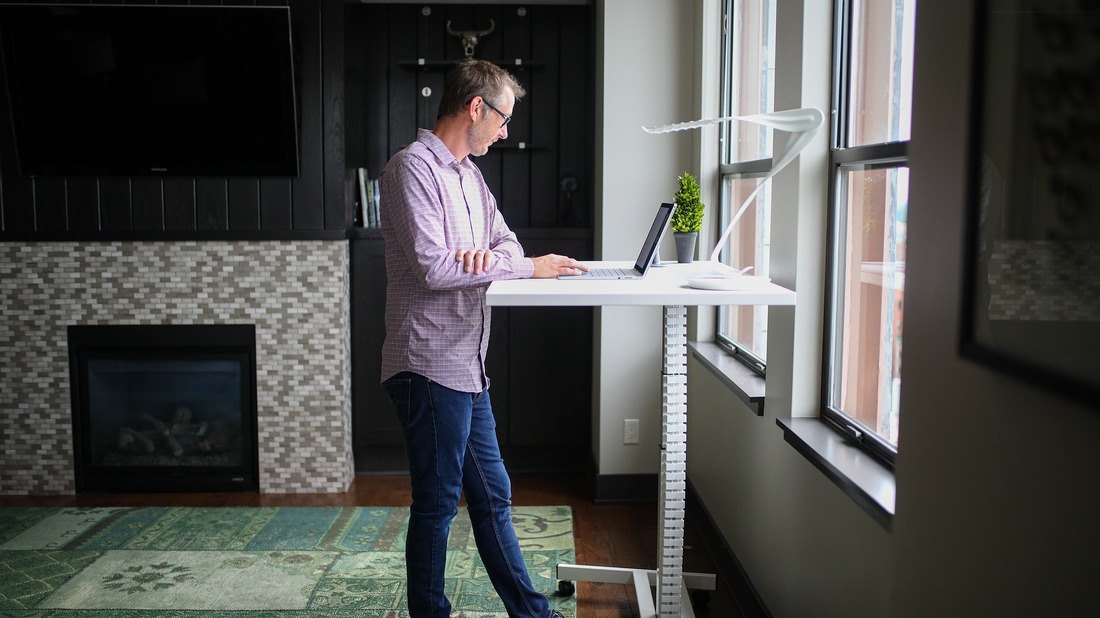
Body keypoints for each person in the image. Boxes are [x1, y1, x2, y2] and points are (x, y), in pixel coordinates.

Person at [378, 59, 587, 618]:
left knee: (492, 496)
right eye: (502, 118)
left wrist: (492, 259)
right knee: (438, 503)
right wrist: (508, 265)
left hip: (466, 366)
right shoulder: (411, 169)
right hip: (425, 365)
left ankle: (533, 613)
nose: (505, 131)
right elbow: (433, 268)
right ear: (476, 107)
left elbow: (509, 244)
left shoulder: (470, 176)